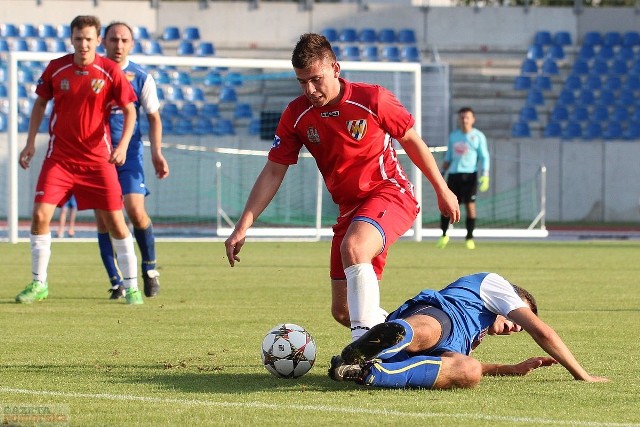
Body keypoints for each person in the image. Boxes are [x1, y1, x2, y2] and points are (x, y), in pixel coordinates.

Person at [224, 33, 460, 342]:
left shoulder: (373, 99)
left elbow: (412, 141)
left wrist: (442, 189)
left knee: (354, 248)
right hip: (350, 212)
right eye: (301, 82)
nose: (310, 89)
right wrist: (243, 226)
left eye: (316, 79)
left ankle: (359, 357)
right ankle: (421, 336)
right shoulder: (296, 115)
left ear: (335, 69)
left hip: (390, 193)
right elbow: (273, 171)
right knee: (345, 311)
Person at [15, 15, 143, 305]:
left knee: (116, 222)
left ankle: (132, 286)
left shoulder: (110, 71)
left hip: (99, 160)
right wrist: (30, 143)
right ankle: (39, 284)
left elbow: (130, 110)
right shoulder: (56, 68)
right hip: (59, 158)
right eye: (78, 38)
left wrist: (122, 146)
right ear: (71, 39)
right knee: (39, 216)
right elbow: (40, 103)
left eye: (88, 39)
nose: (83, 44)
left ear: (98, 41)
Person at [329, 272, 609, 389]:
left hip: (445, 348)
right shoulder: (494, 284)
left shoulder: (478, 333)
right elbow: (543, 332)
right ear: (513, 300)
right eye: (519, 318)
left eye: (518, 329)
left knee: (470, 370)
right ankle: (385, 337)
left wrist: (510, 368)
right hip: (442, 314)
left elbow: (457, 362)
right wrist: (581, 375)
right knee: (427, 330)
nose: (515, 328)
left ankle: (364, 371)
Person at [99, 21, 169, 300]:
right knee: (105, 219)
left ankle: (150, 269)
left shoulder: (140, 77)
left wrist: (156, 153)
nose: (118, 45)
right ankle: (116, 280)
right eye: (113, 39)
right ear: (103, 42)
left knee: (134, 209)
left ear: (131, 44)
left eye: (124, 40)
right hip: (98, 156)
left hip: (130, 155)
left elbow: (153, 117)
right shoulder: (93, 73)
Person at [437, 107, 490, 250]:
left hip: (470, 175)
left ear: (473, 119)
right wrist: (441, 172)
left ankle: (469, 237)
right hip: (454, 175)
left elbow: (484, 156)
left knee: (470, 206)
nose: (464, 120)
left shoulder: (478, 136)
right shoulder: (454, 136)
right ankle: (444, 235)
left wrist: (485, 174)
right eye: (462, 117)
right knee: (448, 205)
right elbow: (448, 157)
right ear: (458, 119)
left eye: (467, 117)